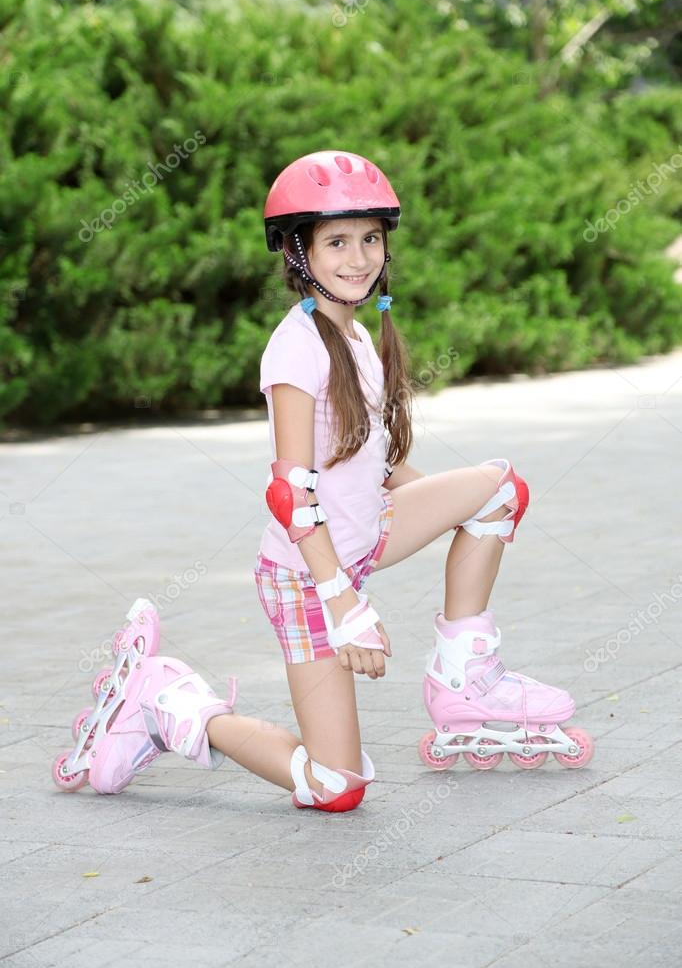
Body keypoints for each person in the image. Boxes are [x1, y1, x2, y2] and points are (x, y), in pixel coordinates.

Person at [53, 150, 592, 806]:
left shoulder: (358, 338)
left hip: (365, 533)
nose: (359, 257)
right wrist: (344, 607)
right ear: (298, 252)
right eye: (337, 241)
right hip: (307, 576)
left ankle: (465, 681)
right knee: (336, 786)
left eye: (370, 238)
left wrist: (452, 508)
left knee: (499, 489)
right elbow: (292, 493)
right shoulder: (294, 349)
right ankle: (167, 704)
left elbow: (371, 462)